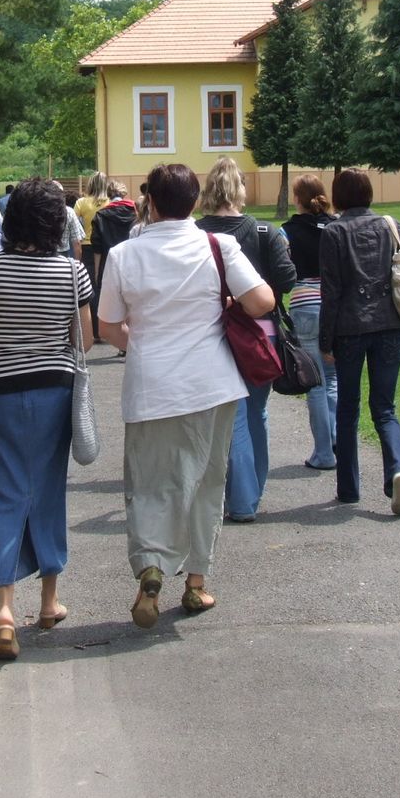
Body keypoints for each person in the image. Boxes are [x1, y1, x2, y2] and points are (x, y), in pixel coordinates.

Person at [97, 163, 274, 629]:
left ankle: (152, 567)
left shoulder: (123, 255)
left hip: (152, 386)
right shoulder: (218, 245)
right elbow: (262, 302)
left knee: (150, 483)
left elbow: (108, 327)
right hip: (212, 383)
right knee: (207, 482)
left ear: (150, 202)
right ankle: (196, 582)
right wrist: (229, 303)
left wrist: (144, 345)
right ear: (195, 202)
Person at [0, 178, 92, 660]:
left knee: (1, 494)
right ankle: (49, 602)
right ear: (56, 223)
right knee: (48, 489)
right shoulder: (72, 272)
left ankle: (5, 610)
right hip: (55, 392)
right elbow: (84, 340)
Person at [195, 157, 297, 522]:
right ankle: (250, 491)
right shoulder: (265, 232)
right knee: (255, 412)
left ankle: (239, 495)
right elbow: (286, 280)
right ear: (240, 189)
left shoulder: (195, 234)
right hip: (260, 333)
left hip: (214, 333)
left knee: (229, 416)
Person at [318, 168, 400, 516]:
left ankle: (348, 488)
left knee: (348, 407)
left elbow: (331, 292)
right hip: (388, 325)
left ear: (339, 195)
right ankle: (397, 469)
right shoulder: (391, 226)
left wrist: (325, 341)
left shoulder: (334, 232)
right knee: (385, 408)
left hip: (349, 329)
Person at [281, 174, 340, 472]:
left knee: (315, 382)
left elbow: (285, 271)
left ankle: (324, 453)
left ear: (298, 198)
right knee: (332, 378)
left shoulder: (287, 231)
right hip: (334, 305)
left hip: (305, 304)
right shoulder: (336, 226)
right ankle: (336, 440)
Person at [88, 182, 139, 348]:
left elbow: (97, 246)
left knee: (114, 303)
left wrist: (97, 271)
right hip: (132, 261)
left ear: (108, 195)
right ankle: (130, 338)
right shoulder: (135, 211)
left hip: (108, 262)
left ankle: (121, 340)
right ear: (124, 194)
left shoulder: (101, 215)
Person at [75, 171, 108, 282]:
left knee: (88, 280)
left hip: (87, 245)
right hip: (105, 244)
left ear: (90, 184)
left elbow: (74, 223)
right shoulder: (110, 202)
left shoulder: (81, 202)